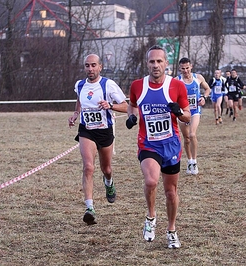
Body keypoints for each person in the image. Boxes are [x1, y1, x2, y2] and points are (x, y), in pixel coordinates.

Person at [125, 45, 191, 249]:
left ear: (166, 63)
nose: (155, 65)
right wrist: (131, 116)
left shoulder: (177, 86)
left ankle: (171, 230)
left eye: (159, 61)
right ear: (147, 63)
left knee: (171, 192)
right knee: (151, 181)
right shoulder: (137, 85)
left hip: (171, 145)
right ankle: (151, 217)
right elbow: (132, 104)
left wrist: (179, 112)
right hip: (148, 144)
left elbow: (188, 116)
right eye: (152, 61)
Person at [68, 54, 128, 225]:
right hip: (86, 131)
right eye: (87, 65)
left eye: (94, 65)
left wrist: (111, 106)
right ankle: (90, 208)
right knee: (88, 167)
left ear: (100, 67)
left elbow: (126, 106)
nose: (90, 69)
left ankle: (109, 182)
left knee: (106, 169)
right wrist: (75, 114)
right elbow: (80, 100)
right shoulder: (80, 85)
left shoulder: (108, 85)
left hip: (105, 131)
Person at [176, 57, 211, 175]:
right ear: (179, 69)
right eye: (182, 69)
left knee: (192, 134)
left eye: (187, 68)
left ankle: (195, 162)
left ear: (191, 66)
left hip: (195, 110)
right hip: (182, 112)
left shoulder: (198, 78)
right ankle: (189, 161)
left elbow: (207, 89)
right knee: (186, 138)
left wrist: (204, 97)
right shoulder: (177, 80)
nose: (185, 71)